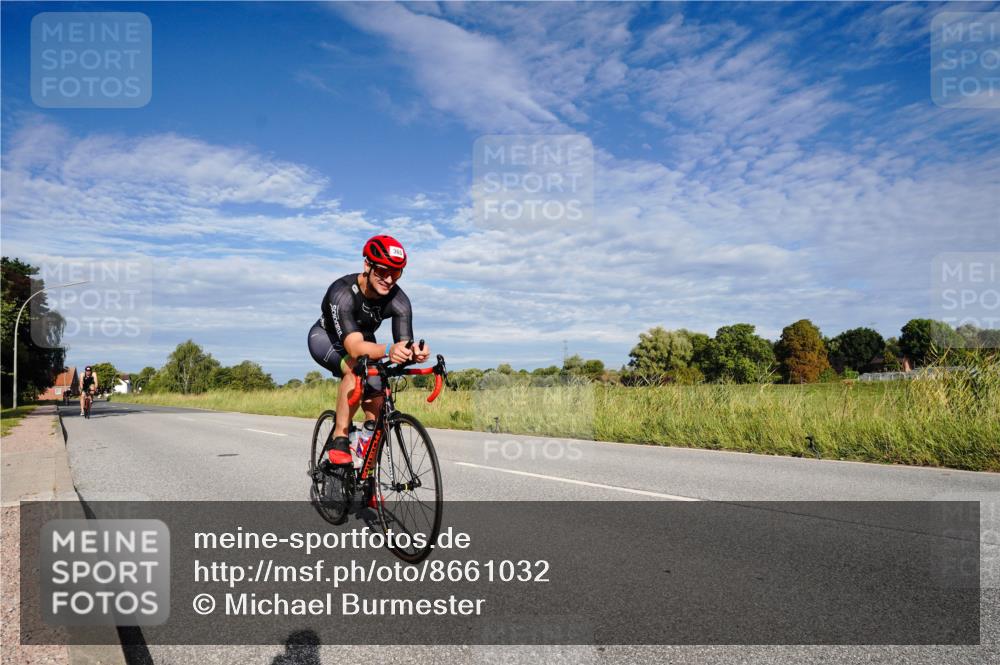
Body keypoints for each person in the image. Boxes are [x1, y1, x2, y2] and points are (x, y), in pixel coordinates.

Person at [308, 235, 430, 465]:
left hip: (363, 339)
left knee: (377, 387)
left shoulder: (399, 300)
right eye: (383, 271)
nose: (389, 279)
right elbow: (354, 348)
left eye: (396, 273)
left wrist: (414, 352)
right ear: (367, 265)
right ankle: (340, 437)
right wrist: (388, 349)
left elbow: (402, 345)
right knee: (356, 371)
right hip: (326, 338)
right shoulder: (342, 292)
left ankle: (366, 462)